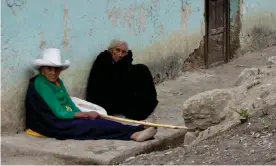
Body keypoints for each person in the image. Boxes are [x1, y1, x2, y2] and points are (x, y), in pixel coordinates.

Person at [25, 48, 157, 141]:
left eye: (57, 69)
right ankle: (132, 135)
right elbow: (59, 111)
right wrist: (84, 114)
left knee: (97, 121)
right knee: (93, 127)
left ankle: (138, 127)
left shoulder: (57, 81)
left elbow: (68, 103)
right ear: (42, 69)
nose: (53, 72)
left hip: (67, 116)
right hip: (52, 123)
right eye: (49, 68)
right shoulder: (41, 84)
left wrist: (81, 115)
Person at [86, 39, 158, 120]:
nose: (120, 54)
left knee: (141, 69)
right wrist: (125, 60)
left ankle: (147, 104)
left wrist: (127, 58)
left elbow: (124, 73)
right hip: (102, 99)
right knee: (137, 72)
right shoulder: (103, 59)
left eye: (123, 52)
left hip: (115, 94)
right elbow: (111, 79)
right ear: (111, 50)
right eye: (117, 50)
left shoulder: (122, 61)